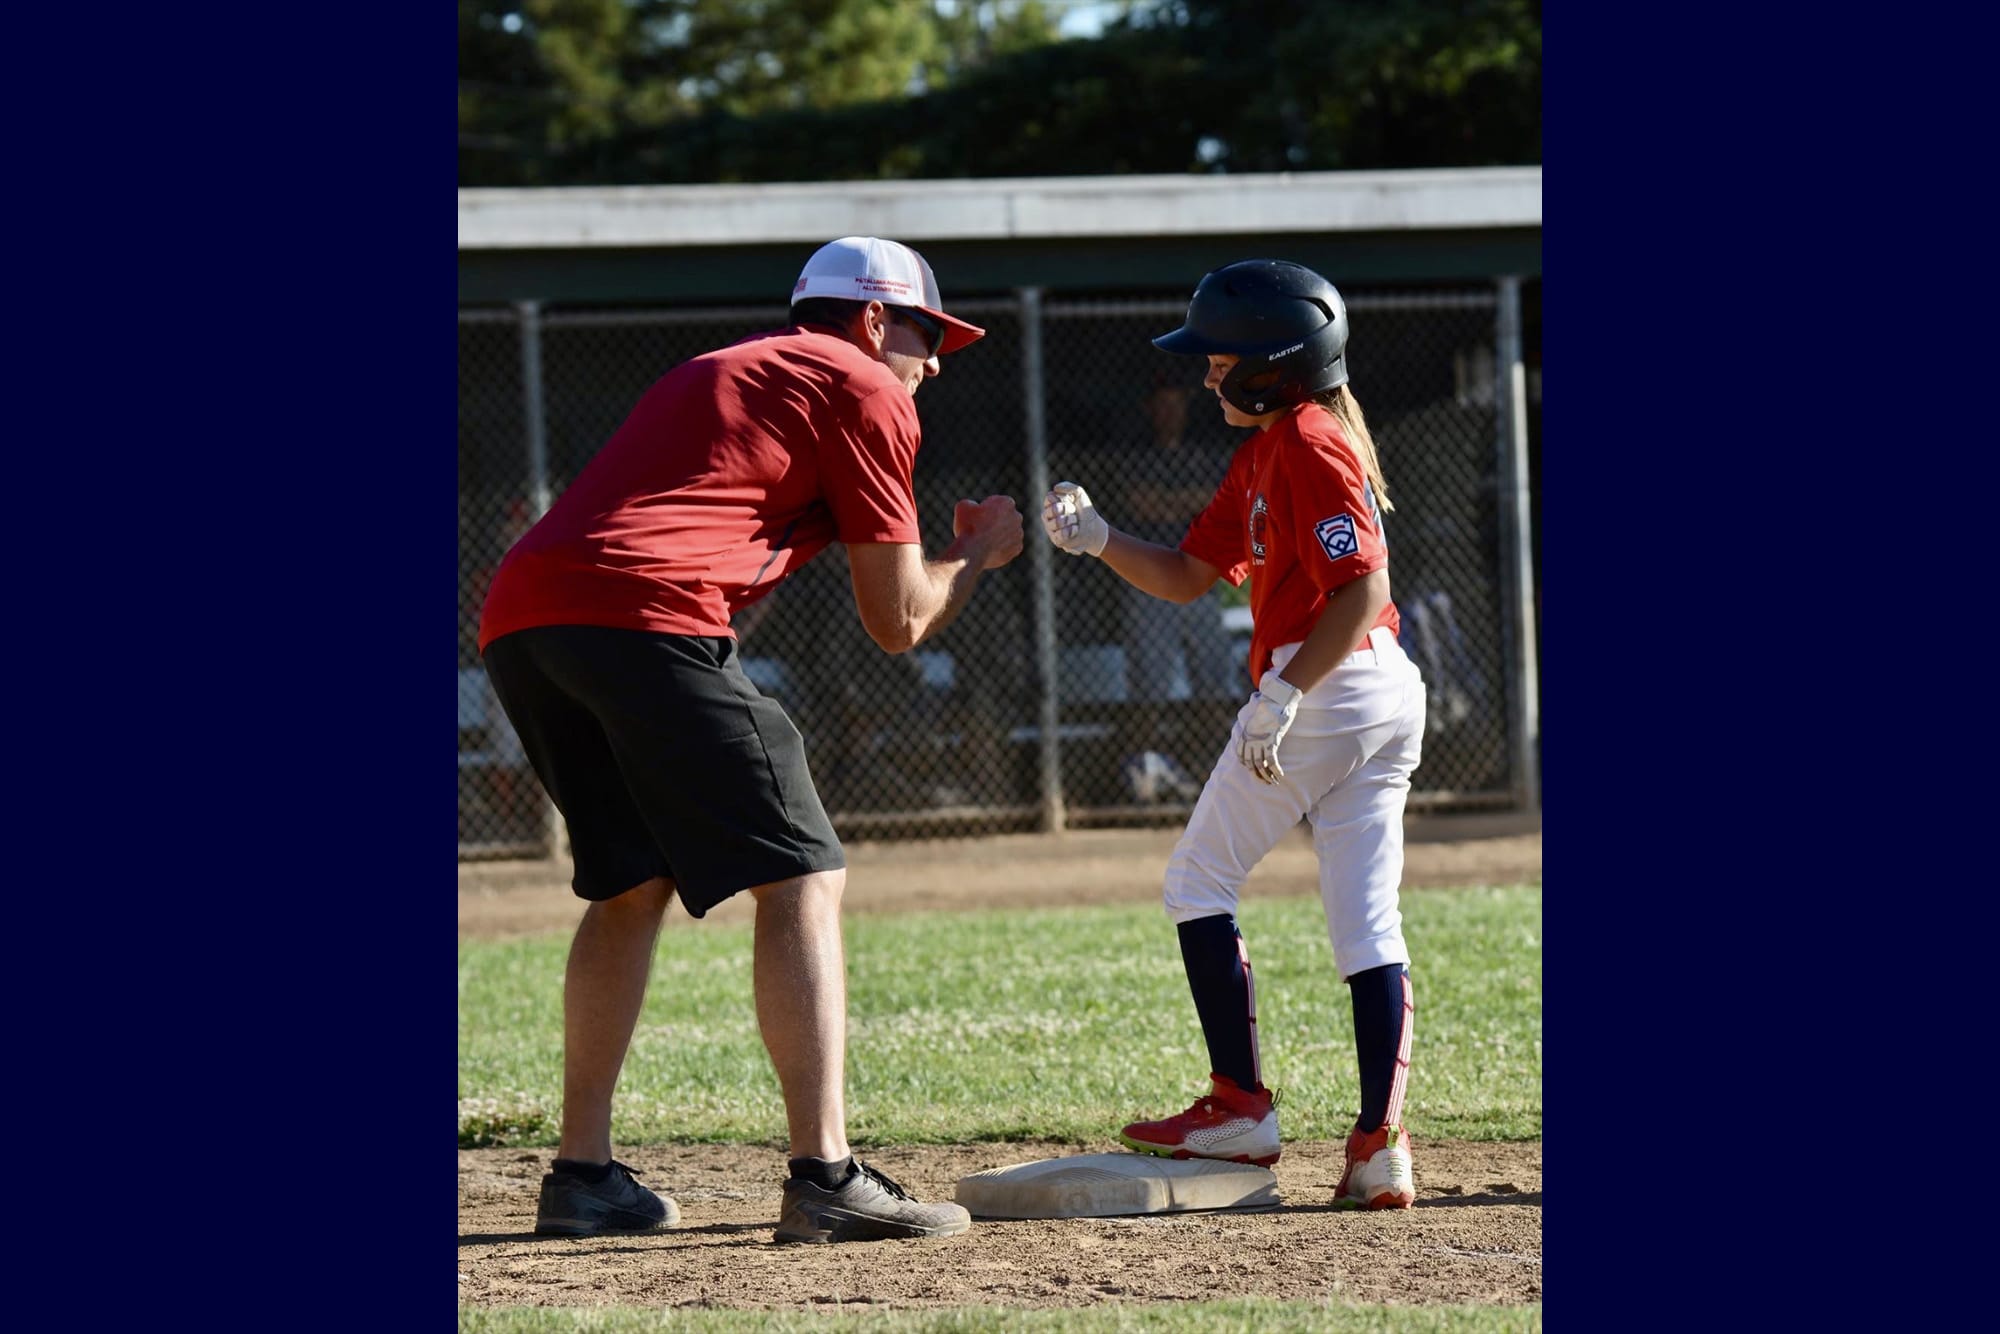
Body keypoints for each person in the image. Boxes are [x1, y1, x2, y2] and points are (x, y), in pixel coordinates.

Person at [477, 236, 1023, 1243]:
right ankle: (825, 1173)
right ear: (870, 320)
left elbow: (692, 532)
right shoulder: (865, 385)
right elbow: (896, 620)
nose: (933, 360)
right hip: (641, 615)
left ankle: (583, 1175)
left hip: (525, 617)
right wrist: (974, 553)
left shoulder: (720, 366)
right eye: (925, 332)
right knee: (804, 874)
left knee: (628, 883)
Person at [1041, 259, 1427, 1210]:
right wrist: (1098, 538)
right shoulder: (1267, 449)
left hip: (1332, 684)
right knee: (1365, 924)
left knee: (1196, 882)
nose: (1206, 377)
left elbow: (1364, 590)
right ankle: (1379, 1147)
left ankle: (1241, 1110)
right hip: (1368, 691)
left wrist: (1282, 695)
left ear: (1270, 366)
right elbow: (1184, 572)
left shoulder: (1307, 439)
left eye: (1219, 361)